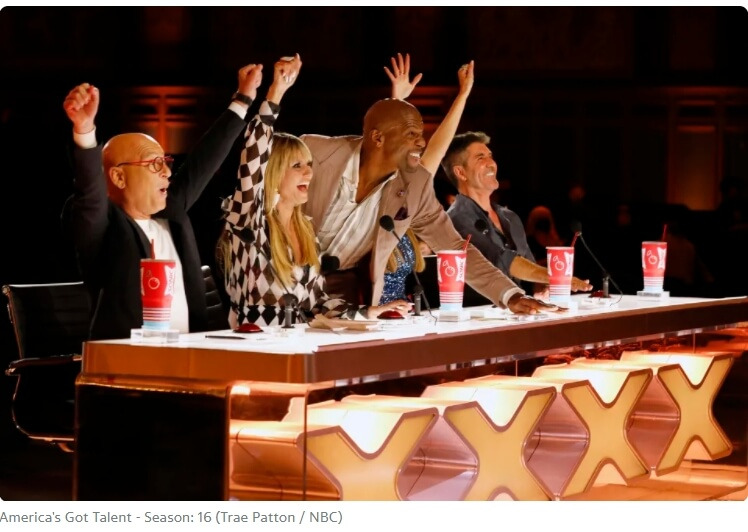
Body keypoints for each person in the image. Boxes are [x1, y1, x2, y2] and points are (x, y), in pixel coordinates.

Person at [301, 83, 555, 315]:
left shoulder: (416, 185)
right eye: (411, 134)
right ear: (378, 138)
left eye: (421, 134)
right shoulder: (314, 152)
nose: (422, 142)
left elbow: (454, 246)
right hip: (278, 285)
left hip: (340, 300)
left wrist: (509, 295)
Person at [63, 63, 263, 340]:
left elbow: (202, 162)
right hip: (130, 367)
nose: (167, 172)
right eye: (154, 164)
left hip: (195, 357)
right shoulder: (101, 226)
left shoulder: (172, 211)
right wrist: (85, 131)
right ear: (119, 177)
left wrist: (243, 99)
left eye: (165, 162)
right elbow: (90, 195)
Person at [218, 55, 410, 327]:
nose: (309, 173)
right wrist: (277, 91)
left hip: (298, 349)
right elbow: (254, 153)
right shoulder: (249, 216)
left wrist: (367, 312)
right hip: (256, 350)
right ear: (272, 172)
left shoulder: (306, 229)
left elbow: (318, 304)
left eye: (309, 165)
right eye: (297, 165)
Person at [442, 132, 592, 296]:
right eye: (480, 158)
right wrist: (556, 277)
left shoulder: (510, 217)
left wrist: (542, 287)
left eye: (490, 156)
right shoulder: (456, 219)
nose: (491, 163)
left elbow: (530, 270)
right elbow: (501, 259)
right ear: (461, 173)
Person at [378, 53, 473, 304]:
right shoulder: (373, 193)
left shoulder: (412, 196)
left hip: (404, 314)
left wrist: (462, 95)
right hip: (367, 317)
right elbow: (380, 145)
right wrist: (396, 100)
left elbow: (439, 146)